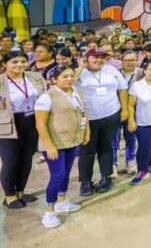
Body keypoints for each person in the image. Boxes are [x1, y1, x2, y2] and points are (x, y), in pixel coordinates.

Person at [34, 66, 88, 228]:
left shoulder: (77, 92)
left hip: (72, 141)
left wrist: (87, 131)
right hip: (54, 144)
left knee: (66, 173)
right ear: (54, 79)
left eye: (72, 75)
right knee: (58, 176)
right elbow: (40, 124)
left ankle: (62, 202)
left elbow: (84, 113)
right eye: (65, 76)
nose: (70, 79)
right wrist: (49, 146)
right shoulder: (47, 97)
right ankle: (49, 212)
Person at [75, 48, 128, 196]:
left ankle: (106, 177)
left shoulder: (111, 70)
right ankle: (86, 182)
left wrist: (124, 109)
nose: (99, 60)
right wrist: (80, 67)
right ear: (86, 58)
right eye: (95, 57)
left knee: (106, 148)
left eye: (102, 57)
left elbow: (123, 89)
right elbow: (68, 84)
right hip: (88, 119)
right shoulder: (79, 72)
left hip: (110, 115)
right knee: (87, 151)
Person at [0, 51, 47, 209]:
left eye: (23, 61)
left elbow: (44, 96)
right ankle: (9, 196)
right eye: (14, 62)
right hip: (8, 125)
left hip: (32, 122)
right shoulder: (1, 81)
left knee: (26, 160)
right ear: (5, 64)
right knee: (10, 162)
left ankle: (20, 192)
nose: (19, 64)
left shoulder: (35, 77)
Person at [115, 50, 142, 176]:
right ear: (121, 61)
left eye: (133, 60)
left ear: (137, 61)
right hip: (115, 110)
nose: (130, 63)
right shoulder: (114, 74)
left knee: (131, 137)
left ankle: (130, 160)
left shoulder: (142, 73)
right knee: (113, 139)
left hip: (134, 110)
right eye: (127, 60)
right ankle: (113, 164)